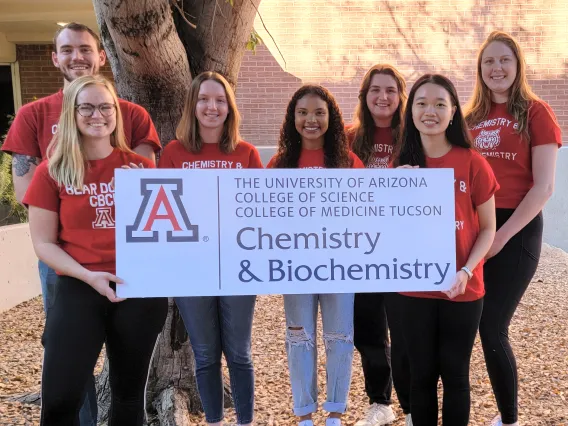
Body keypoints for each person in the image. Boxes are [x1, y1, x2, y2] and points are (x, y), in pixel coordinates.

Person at [1, 23, 161, 425]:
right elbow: (44, 243)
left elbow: (163, 231)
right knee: (59, 399)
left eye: (105, 107)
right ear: (71, 113)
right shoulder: (53, 171)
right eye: (86, 107)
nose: (97, 115)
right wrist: (89, 277)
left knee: (128, 398)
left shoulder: (140, 169)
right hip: (78, 284)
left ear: (117, 113)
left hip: (135, 288)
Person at [465, 31, 562, 426]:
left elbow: (544, 187)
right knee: (464, 323)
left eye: (504, 60)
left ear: (518, 65)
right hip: (475, 225)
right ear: (480, 69)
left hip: (515, 229)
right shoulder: (471, 118)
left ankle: (509, 419)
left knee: (492, 325)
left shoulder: (536, 113)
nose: (496, 68)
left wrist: (500, 237)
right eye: (489, 61)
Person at [392, 74, 498, 426]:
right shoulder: (400, 168)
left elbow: (488, 229)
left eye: (440, 104)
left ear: (453, 112)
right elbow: (390, 234)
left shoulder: (473, 163)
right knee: (420, 375)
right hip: (414, 288)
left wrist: (466, 270)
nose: (430, 111)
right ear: (411, 112)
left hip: (463, 288)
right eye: (421, 103)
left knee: (455, 375)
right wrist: (394, 193)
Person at [160, 71, 262, 426]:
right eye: (204, 99)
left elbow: (261, 211)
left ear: (230, 108)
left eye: (220, 100)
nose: (212, 106)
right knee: (204, 355)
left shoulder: (246, 153)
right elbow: (164, 213)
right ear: (193, 105)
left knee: (239, 354)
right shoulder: (173, 153)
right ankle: (215, 422)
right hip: (192, 269)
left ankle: (245, 422)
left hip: (238, 266)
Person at [267, 84, 364, 426]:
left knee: (340, 337)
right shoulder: (279, 165)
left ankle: (335, 411)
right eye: (303, 112)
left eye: (319, 112)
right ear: (292, 118)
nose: (311, 120)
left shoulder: (347, 162)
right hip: (295, 267)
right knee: (299, 337)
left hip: (339, 265)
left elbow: (365, 211)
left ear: (331, 117)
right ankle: (305, 413)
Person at [347, 64, 411, 426]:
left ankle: (414, 404)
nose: (383, 97)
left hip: (403, 249)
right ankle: (380, 403)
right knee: (368, 329)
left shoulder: (415, 137)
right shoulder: (348, 137)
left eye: (390, 90)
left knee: (406, 330)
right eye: (375, 90)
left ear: (401, 96)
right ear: (365, 96)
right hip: (361, 249)